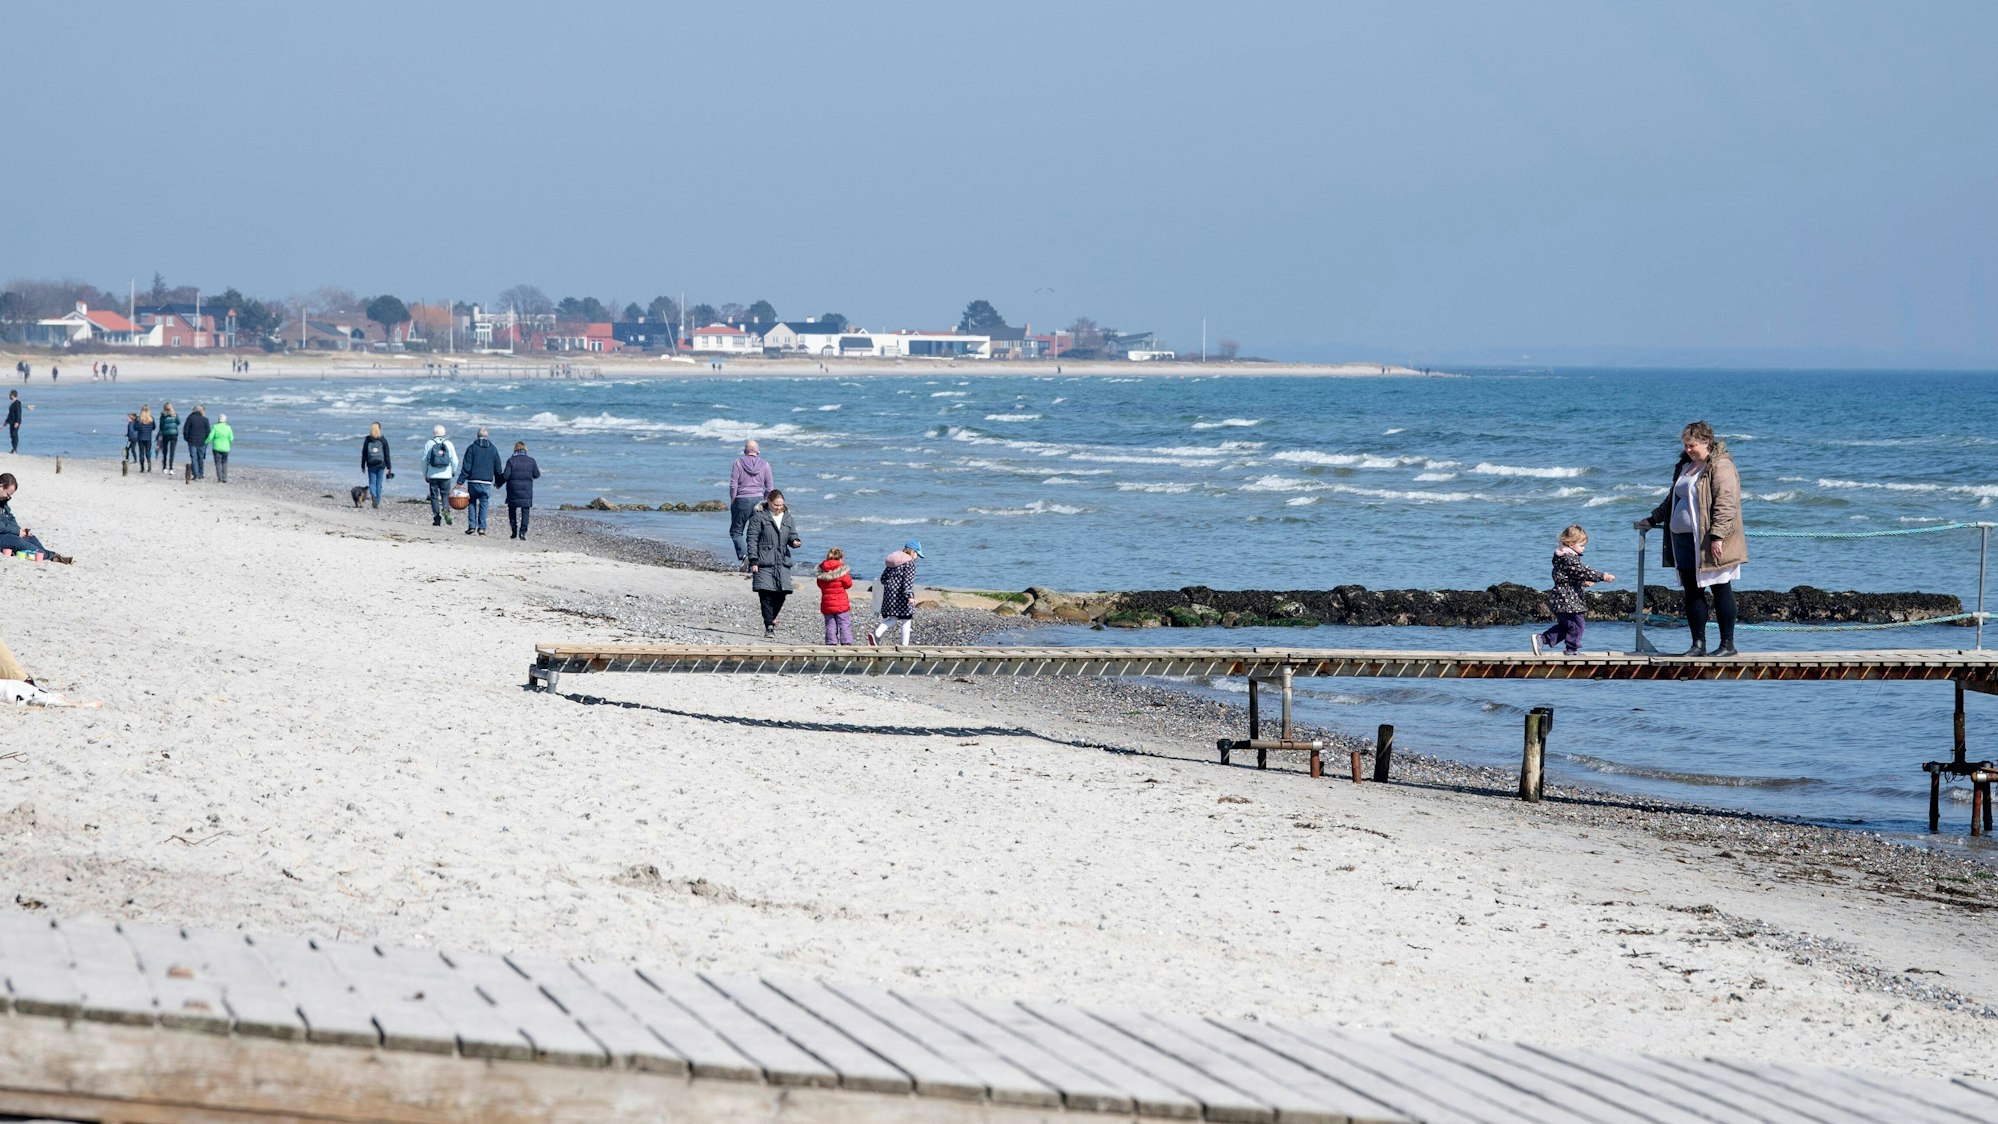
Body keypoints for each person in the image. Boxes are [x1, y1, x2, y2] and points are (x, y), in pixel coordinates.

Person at [1636, 420, 1746, 657]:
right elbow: (1673, 498)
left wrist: (1717, 535)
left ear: (1706, 442)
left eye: (1692, 445)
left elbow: (1726, 504)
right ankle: (1698, 644)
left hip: (1711, 540)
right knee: (1692, 591)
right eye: (1685, 445)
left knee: (1719, 587)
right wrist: (1653, 519)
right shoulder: (1685, 465)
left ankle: (1728, 645)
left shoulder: (1720, 466)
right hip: (1683, 540)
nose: (1687, 449)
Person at [1531, 524, 1613, 656]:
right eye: (1581, 545)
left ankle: (1542, 639)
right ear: (1570, 543)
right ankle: (1572, 649)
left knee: (1567, 626)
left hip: (1562, 597)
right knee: (1578, 624)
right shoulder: (1569, 559)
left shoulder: (1563, 558)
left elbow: (1569, 576)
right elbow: (1583, 571)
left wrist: (1582, 582)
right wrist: (1602, 576)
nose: (1583, 548)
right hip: (1567, 599)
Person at [744, 488, 802, 638]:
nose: (778, 508)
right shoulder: (758, 517)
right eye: (776, 505)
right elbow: (751, 539)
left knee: (783, 592)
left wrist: (794, 541)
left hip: (782, 561)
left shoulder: (787, 517)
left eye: (781, 505)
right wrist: (753, 560)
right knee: (766, 594)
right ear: (769, 502)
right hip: (763, 561)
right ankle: (769, 625)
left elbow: (792, 534)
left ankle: (771, 618)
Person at [0, 474, 72, 564]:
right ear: (1, 486)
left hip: (6, 532)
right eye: (7, 494)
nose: (8, 497)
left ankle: (49, 555)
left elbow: (9, 517)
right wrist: (17, 532)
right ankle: (51, 556)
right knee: (19, 542)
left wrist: (20, 531)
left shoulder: (2, 501)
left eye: (10, 496)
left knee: (30, 538)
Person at [728, 439, 775, 565]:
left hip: (741, 500)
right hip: (758, 500)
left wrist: (733, 499)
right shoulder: (765, 464)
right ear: (758, 451)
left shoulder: (738, 462)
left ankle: (744, 556)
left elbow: (734, 484)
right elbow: (769, 487)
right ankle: (757, 559)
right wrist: (765, 501)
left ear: (745, 451)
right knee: (755, 533)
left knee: (736, 531)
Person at [869, 541, 923, 647]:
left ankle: (876, 634)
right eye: (917, 554)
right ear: (912, 552)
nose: (917, 557)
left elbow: (883, 578)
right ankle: (905, 645)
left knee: (893, 619)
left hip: (889, 595)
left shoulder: (892, 562)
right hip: (902, 596)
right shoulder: (909, 564)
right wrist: (909, 596)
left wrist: (890, 588)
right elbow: (907, 581)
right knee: (906, 620)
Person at [457, 426, 503, 536]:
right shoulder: (493, 449)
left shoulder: (472, 448)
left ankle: (472, 526)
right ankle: (482, 528)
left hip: (473, 481)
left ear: (477, 436)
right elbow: (498, 468)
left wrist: (460, 481)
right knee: (484, 504)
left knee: (471, 502)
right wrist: (498, 482)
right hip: (486, 482)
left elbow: (466, 467)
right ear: (487, 436)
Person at [419, 425, 459, 527]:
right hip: (446, 474)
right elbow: (455, 460)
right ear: (444, 433)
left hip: (432, 474)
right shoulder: (448, 444)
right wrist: (452, 471)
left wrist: (425, 474)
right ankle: (446, 510)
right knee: (445, 494)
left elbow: (424, 460)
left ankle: (437, 517)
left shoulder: (429, 443)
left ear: (434, 433)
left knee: (434, 496)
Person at [501, 440, 540, 540]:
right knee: (525, 511)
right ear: (525, 449)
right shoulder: (531, 461)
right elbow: (537, 474)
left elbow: (505, 476)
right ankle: (522, 532)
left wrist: (498, 483)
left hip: (513, 489)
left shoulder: (511, 460)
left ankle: (514, 531)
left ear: (515, 449)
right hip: (526, 490)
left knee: (512, 510)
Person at [816, 547, 854, 645]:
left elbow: (820, 584)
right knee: (844, 623)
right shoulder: (842, 570)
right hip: (841, 603)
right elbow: (848, 584)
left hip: (827, 602)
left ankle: (831, 642)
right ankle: (846, 642)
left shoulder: (822, 570)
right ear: (840, 558)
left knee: (830, 624)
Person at [360, 422, 393, 509]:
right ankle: (377, 501)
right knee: (379, 484)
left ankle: (373, 495)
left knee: (372, 483)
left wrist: (362, 465)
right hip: (381, 464)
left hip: (371, 464)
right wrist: (389, 467)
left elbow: (364, 454)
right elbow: (387, 455)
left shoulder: (367, 440)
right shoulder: (383, 440)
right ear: (380, 429)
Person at [183, 406, 212, 480]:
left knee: (194, 458)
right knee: (200, 458)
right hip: (202, 441)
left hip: (192, 441)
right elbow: (208, 432)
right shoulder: (205, 420)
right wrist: (205, 440)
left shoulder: (190, 418)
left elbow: (185, 429)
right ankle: (201, 473)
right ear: (201, 411)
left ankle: (196, 474)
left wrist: (187, 438)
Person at [207, 413, 235, 483]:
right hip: (226, 448)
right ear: (225, 420)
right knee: (224, 463)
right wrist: (229, 444)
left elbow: (210, 437)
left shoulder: (215, 427)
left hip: (217, 447)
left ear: (218, 420)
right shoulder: (228, 427)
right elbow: (231, 438)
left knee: (218, 463)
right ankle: (224, 477)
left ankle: (219, 478)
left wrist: (205, 442)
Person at [157, 402, 180, 472]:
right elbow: (178, 422)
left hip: (165, 434)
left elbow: (161, 426)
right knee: (172, 451)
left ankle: (164, 467)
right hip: (174, 434)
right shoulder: (175, 414)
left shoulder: (163, 415)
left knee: (165, 451)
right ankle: (171, 467)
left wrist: (160, 434)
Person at [133, 406, 156, 474]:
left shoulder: (138, 419)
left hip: (140, 437)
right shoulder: (151, 419)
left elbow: (135, 428)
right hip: (148, 438)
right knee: (148, 452)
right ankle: (149, 466)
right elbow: (154, 427)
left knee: (141, 452)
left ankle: (142, 468)